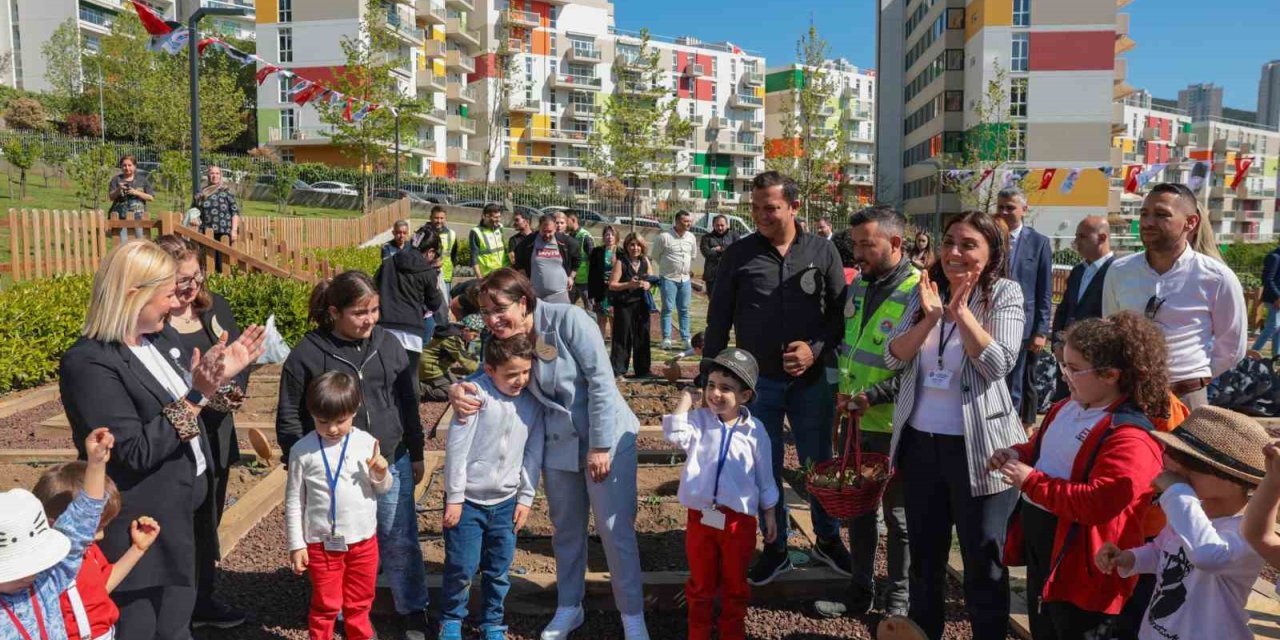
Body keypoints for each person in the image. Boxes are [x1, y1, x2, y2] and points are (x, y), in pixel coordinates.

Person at [58, 241, 264, 640]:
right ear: (133, 294)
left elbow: (193, 414)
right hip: (139, 527)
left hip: (180, 517)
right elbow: (134, 451)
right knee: (143, 629)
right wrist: (197, 394)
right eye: (168, 295)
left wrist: (219, 379)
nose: (175, 305)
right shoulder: (90, 362)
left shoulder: (159, 339)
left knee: (175, 628)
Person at [447, 269, 649, 640]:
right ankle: (569, 607)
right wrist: (457, 390)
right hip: (557, 446)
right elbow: (485, 376)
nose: (492, 320)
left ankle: (632, 616)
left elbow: (601, 381)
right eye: (485, 312)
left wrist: (600, 445)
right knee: (566, 532)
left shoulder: (568, 320)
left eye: (499, 309)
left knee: (614, 531)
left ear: (523, 302)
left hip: (605, 440)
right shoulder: (502, 339)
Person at [703, 171, 851, 585]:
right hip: (757, 385)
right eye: (755, 208)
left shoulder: (823, 251)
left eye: (770, 207)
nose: (761, 215)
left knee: (817, 463)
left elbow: (840, 314)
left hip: (812, 382)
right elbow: (719, 318)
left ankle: (827, 538)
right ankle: (777, 547)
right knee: (762, 468)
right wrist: (709, 377)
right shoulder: (739, 254)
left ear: (794, 206)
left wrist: (814, 350)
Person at [883, 210, 1025, 640]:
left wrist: (961, 314)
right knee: (925, 559)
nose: (954, 252)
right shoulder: (924, 290)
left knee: (983, 562)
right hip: (922, 444)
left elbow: (999, 363)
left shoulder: (1004, 293)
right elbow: (894, 357)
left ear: (991, 253)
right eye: (949, 242)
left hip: (981, 450)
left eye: (968, 245)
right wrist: (930, 317)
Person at [988, 312, 1167, 640]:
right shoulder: (1068, 406)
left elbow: (1097, 503)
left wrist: (1030, 481)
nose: (1064, 375)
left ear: (1111, 374)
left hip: (1086, 566)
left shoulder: (1131, 437)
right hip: (1049, 547)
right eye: (1063, 364)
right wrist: (1017, 454)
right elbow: (1045, 449)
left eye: (1074, 368)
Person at [275, 271, 431, 639]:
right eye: (360, 312)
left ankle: (413, 608)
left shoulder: (389, 344)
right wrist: (299, 460)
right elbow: (289, 415)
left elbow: (408, 400)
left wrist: (417, 447)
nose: (370, 319)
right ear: (334, 311)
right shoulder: (308, 354)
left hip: (388, 458)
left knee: (398, 537)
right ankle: (341, 611)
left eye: (374, 310)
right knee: (339, 540)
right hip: (332, 467)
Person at [814, 205, 918, 620]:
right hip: (855, 422)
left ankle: (898, 601)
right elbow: (849, 346)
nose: (857, 252)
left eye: (866, 244)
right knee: (857, 509)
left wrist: (871, 396)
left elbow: (918, 369)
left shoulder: (918, 292)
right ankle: (860, 592)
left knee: (897, 519)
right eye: (855, 243)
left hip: (895, 424)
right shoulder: (859, 286)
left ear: (895, 243)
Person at [1096, 406, 1270, 640]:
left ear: (1236, 480)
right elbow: (1163, 551)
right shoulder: (1192, 513)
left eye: (1191, 462)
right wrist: (1130, 558)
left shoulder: (1247, 534)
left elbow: (1207, 555)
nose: (1176, 467)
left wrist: (1177, 491)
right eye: (1174, 455)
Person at [153, 234, 249, 628]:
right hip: (175, 435)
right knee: (178, 521)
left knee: (207, 520)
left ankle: (202, 598)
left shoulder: (215, 310)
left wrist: (235, 389)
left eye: (196, 277)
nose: (192, 288)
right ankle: (174, 604)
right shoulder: (153, 322)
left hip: (215, 433)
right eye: (182, 281)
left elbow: (237, 361)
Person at [663, 348, 777, 640]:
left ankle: (732, 632)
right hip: (701, 519)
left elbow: (765, 475)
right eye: (711, 385)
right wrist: (686, 400)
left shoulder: (755, 431)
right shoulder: (699, 422)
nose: (715, 393)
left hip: (739, 523)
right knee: (700, 584)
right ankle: (698, 633)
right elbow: (674, 434)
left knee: (735, 584)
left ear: (745, 396)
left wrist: (770, 513)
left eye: (726, 388)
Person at [1102, 182, 1246, 409]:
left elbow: (1232, 348)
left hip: (1186, 398)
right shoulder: (1119, 271)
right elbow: (1110, 331)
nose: (1148, 222)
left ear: (1190, 222)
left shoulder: (1217, 277)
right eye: (1144, 214)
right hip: (1130, 396)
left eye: (1161, 215)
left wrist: (1192, 376)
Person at [440, 334, 545, 640]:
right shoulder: (475, 397)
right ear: (489, 370)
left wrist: (525, 497)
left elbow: (532, 453)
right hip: (469, 501)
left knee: (499, 569)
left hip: (506, 502)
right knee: (461, 566)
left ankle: (492, 622)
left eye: (526, 372)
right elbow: (457, 449)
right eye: (512, 374)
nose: (520, 380)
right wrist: (455, 497)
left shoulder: (531, 403)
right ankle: (451, 618)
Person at [286, 371, 391, 640]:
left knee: (360, 602)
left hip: (363, 541)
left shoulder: (367, 444)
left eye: (340, 421)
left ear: (354, 410)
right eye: (323, 422)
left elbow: (383, 488)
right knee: (326, 604)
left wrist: (380, 472)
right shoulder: (302, 450)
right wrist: (297, 544)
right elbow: (295, 500)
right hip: (322, 543)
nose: (332, 429)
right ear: (311, 414)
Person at [0, 429, 112, 640]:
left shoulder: (46, 580)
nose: (29, 574)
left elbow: (79, 527)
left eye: (34, 564)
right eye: (18, 570)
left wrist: (96, 465)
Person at [35, 461, 161, 640]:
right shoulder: (48, 563)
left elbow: (102, 586)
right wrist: (97, 461)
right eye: (95, 528)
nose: (101, 536)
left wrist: (137, 549)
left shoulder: (89, 552)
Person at [993, 188, 1053, 431]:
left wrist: (1041, 330)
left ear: (1023, 210)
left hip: (1024, 326)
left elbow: (1044, 291)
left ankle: (1012, 429)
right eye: (1001, 207)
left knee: (1017, 380)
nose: (1005, 212)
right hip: (993, 319)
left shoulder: (1039, 243)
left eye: (1010, 207)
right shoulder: (991, 239)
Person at [375, 224, 445, 402]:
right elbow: (435, 303)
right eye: (435, 255)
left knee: (383, 377)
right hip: (410, 330)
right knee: (409, 378)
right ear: (430, 252)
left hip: (383, 326)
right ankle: (412, 425)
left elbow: (374, 286)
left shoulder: (389, 261)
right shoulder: (427, 271)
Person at [1049, 217, 1114, 402]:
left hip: (1094, 361)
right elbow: (1064, 310)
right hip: (1068, 359)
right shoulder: (1079, 271)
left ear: (1102, 237)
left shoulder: (1116, 271)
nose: (1076, 242)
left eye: (1082, 236)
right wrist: (1057, 343)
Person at [609, 233, 654, 378]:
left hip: (642, 304)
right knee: (623, 337)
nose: (635, 248)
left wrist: (648, 284)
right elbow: (612, 285)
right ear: (627, 246)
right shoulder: (621, 262)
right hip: (624, 305)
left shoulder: (645, 261)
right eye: (632, 245)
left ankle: (643, 370)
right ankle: (618, 370)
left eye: (638, 245)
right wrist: (629, 284)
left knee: (642, 336)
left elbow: (652, 279)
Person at [651, 210, 697, 350]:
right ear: (677, 222)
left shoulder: (691, 237)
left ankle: (685, 338)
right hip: (668, 279)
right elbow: (656, 256)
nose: (689, 224)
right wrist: (667, 269)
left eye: (690, 221)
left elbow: (693, 256)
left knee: (684, 309)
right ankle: (666, 338)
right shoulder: (664, 237)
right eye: (685, 221)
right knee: (667, 309)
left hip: (685, 279)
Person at [513, 214, 581, 304]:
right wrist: (525, 279)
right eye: (544, 231)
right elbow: (519, 261)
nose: (547, 235)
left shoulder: (565, 242)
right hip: (537, 295)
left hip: (560, 294)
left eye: (550, 231)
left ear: (555, 228)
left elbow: (577, 259)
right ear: (539, 227)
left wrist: (571, 277)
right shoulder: (529, 242)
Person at [419, 315, 482, 403]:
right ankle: (419, 388)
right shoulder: (453, 338)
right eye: (474, 336)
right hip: (430, 367)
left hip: (437, 366)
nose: (474, 339)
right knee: (451, 393)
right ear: (466, 330)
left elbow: (469, 355)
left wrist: (480, 365)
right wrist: (482, 372)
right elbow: (465, 360)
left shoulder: (460, 335)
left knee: (457, 385)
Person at [195, 165, 240, 274]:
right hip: (206, 233)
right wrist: (194, 218)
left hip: (223, 233)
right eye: (212, 173)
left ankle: (222, 285)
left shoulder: (226, 191)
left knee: (222, 263)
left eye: (217, 173)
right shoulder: (201, 193)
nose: (214, 176)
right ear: (208, 175)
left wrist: (234, 230)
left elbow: (235, 212)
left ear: (220, 176)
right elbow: (194, 210)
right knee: (208, 263)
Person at [108, 155, 154, 245]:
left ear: (135, 166)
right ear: (121, 166)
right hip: (121, 217)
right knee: (123, 243)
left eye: (129, 165)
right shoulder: (116, 180)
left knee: (140, 242)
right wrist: (119, 189)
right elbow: (111, 197)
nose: (127, 168)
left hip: (139, 216)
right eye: (124, 165)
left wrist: (135, 192)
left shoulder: (142, 180)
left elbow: (151, 197)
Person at [587, 225, 619, 337]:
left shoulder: (621, 252)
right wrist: (591, 294)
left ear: (616, 237)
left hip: (615, 292)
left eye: (612, 234)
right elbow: (592, 274)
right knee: (601, 319)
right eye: (607, 234)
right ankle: (601, 346)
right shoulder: (597, 252)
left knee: (614, 320)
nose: (609, 237)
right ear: (603, 237)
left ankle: (615, 348)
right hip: (600, 292)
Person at [1249, 241, 1280, 358]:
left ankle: (1276, 356)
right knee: (1273, 326)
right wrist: (1278, 296)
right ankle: (1252, 354)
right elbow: (1267, 280)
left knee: (1278, 328)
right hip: (1274, 298)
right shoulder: (1275, 257)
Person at [698, 215, 739, 300]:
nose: (720, 228)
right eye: (717, 225)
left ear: (727, 225)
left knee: (731, 304)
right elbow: (707, 253)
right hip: (712, 277)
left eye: (722, 225)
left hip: (730, 276)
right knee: (714, 303)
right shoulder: (706, 238)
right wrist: (728, 250)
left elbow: (738, 252)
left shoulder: (734, 236)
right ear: (713, 225)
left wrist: (720, 249)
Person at [470, 204, 509, 278]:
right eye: (495, 217)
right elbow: (474, 257)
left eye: (499, 216)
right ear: (485, 216)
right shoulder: (476, 232)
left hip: (504, 273)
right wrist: (479, 277)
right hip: (488, 276)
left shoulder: (500, 227)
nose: (498, 219)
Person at [566, 211, 595, 308]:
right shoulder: (569, 236)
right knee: (568, 307)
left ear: (573, 220)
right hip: (572, 280)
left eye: (566, 221)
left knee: (590, 310)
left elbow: (593, 259)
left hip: (585, 281)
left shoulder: (585, 236)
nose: (564, 224)